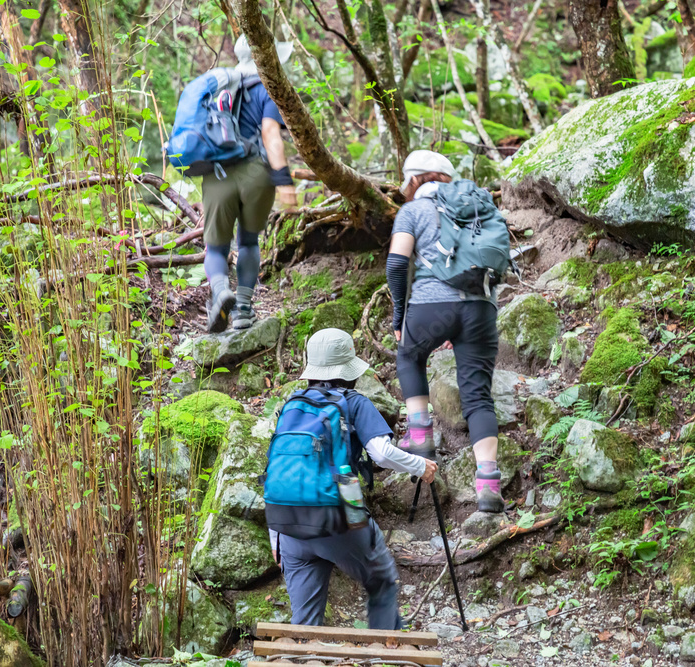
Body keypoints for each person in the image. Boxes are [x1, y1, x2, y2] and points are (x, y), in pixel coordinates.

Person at [270, 328, 437, 628]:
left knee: (304, 624)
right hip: (339, 505)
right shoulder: (354, 401)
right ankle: (387, 651)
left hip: (287, 520)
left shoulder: (292, 405)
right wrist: (419, 466)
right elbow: (381, 454)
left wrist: (276, 535)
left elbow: (278, 467)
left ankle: (300, 658)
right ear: (348, 370)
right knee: (383, 579)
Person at [386, 150, 504, 514]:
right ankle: (488, 485)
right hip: (481, 308)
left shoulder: (413, 211)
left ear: (414, 179)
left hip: (431, 306)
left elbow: (396, 262)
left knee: (408, 353)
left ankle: (420, 438)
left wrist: (399, 317)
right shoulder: (479, 208)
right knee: (478, 396)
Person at [204, 34, 297, 334]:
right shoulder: (268, 90)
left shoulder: (217, 89)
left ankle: (220, 290)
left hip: (217, 173)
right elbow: (270, 134)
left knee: (216, 247)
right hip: (256, 172)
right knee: (247, 240)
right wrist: (284, 181)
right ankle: (243, 308)